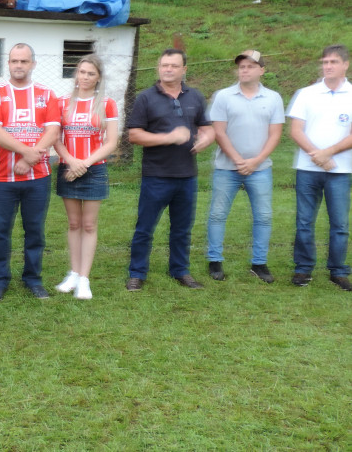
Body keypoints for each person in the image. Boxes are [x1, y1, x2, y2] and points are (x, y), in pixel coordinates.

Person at [126, 48, 214, 291]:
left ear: (184, 69)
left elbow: (207, 128)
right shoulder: (146, 98)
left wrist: (207, 138)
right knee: (145, 228)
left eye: (174, 66)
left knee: (182, 229)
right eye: (164, 65)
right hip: (156, 175)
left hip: (187, 176)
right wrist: (169, 137)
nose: (168, 69)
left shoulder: (195, 96)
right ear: (158, 68)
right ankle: (137, 273)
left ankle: (180, 270)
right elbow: (134, 135)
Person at [0, 43, 60, 302]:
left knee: (35, 230)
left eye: (24, 61)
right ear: (8, 64)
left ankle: (33, 279)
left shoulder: (47, 94)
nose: (18, 65)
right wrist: (28, 153)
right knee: (0, 230)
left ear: (32, 64)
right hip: (1, 177)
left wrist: (28, 159)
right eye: (14, 61)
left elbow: (52, 131)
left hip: (37, 177)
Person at [206, 50, 284, 284]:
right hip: (226, 167)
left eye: (250, 66)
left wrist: (256, 161)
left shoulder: (273, 98)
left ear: (262, 70)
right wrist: (238, 160)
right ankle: (214, 260)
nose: (245, 70)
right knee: (218, 214)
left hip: (260, 169)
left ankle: (259, 263)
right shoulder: (223, 96)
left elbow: (275, 134)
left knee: (263, 216)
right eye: (242, 66)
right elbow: (219, 132)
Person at [53, 55, 119, 300]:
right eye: (81, 72)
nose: (85, 77)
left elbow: (111, 142)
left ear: (98, 77)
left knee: (89, 225)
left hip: (94, 170)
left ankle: (84, 279)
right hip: (68, 169)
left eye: (91, 73)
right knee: (74, 224)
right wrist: (71, 161)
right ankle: (73, 273)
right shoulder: (61, 103)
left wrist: (85, 163)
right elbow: (55, 138)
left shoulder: (107, 104)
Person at [287, 44, 352, 291]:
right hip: (308, 169)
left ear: (345, 65)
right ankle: (303, 268)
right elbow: (296, 131)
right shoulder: (306, 93)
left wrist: (329, 152)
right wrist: (318, 155)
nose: (327, 66)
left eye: (333, 62)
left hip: (340, 171)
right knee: (304, 221)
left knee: (340, 225)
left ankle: (338, 271)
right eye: (325, 62)